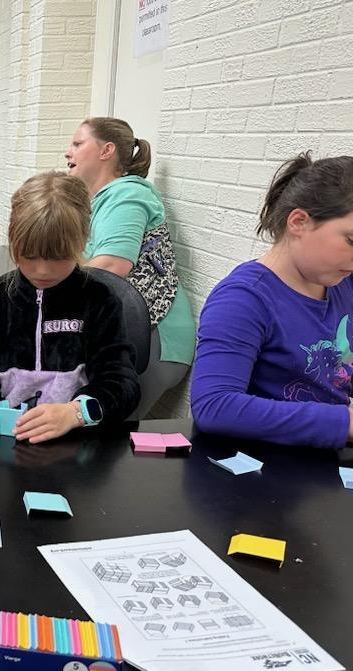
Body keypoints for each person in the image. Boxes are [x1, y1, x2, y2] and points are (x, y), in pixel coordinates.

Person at [0, 173, 139, 443]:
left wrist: (75, 413)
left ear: (82, 240)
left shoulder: (100, 301)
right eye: (30, 255)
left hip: (77, 447)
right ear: (13, 240)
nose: (42, 270)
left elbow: (122, 384)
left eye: (58, 256)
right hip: (1, 445)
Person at [191, 153, 353, 449]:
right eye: (351, 240)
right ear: (299, 222)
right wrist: (345, 423)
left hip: (325, 459)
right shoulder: (243, 299)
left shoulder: (344, 283)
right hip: (263, 464)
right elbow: (214, 406)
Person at [65, 116, 195, 417]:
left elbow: (112, 266)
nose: (68, 152)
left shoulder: (128, 194)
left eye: (78, 143)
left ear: (106, 150)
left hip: (155, 340)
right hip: (125, 334)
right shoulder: (98, 200)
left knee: (104, 435)